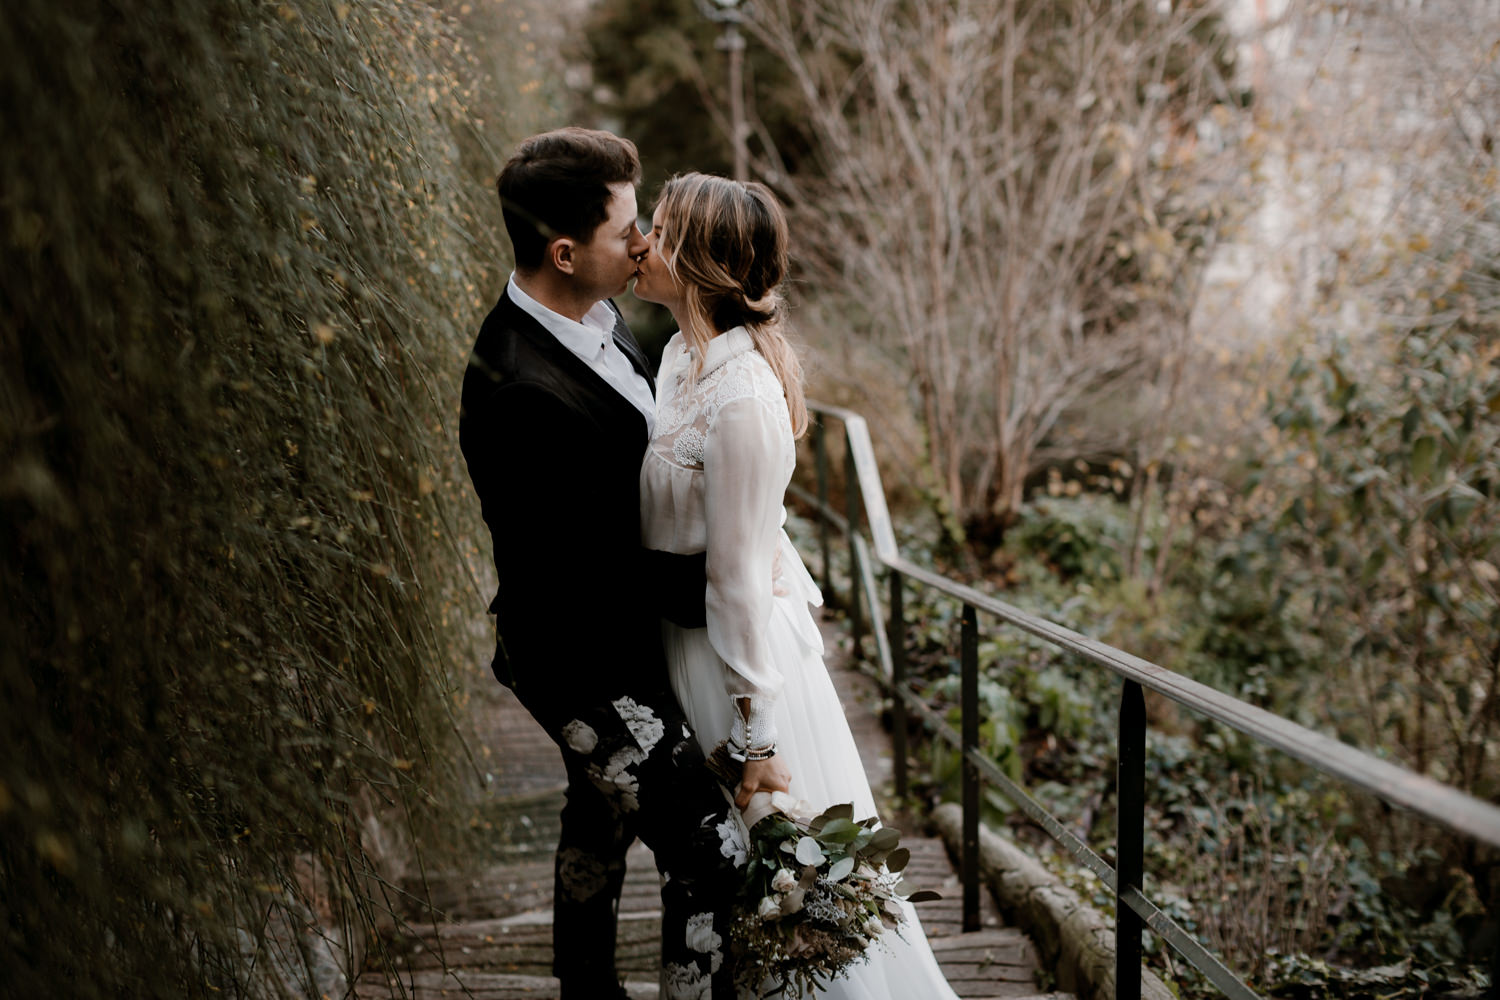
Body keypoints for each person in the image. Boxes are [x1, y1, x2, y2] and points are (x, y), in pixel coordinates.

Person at [634, 172, 963, 999]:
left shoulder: (743, 396)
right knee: (734, 881)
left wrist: (757, 739)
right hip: (684, 643)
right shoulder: (680, 357)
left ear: (701, 262)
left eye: (661, 228)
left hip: (738, 664)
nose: (640, 239)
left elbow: (740, 578)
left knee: (775, 878)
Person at [458, 129, 743, 1000]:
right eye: (630, 232)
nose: (647, 246)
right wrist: (734, 589)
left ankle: (586, 985)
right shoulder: (519, 395)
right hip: (581, 658)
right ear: (564, 251)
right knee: (709, 847)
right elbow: (591, 574)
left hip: (619, 635)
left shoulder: (595, 311)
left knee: (601, 815)